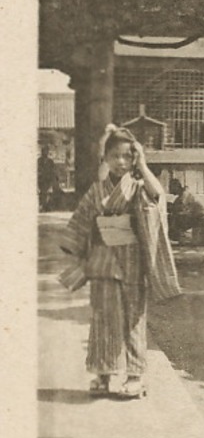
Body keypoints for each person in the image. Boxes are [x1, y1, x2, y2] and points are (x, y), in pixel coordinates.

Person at [59, 125, 180, 399]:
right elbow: (84, 216)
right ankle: (103, 375)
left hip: (131, 260)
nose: (121, 162)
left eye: (127, 157)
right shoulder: (98, 188)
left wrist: (144, 164)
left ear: (134, 158)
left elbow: (158, 195)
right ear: (106, 158)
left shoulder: (138, 186)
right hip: (103, 260)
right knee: (103, 318)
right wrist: (77, 251)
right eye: (115, 156)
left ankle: (135, 376)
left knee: (134, 319)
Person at [38, 145, 60, 211]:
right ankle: (42, 205)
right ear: (42, 152)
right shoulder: (39, 161)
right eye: (43, 151)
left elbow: (53, 170)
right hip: (41, 179)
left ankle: (46, 205)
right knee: (42, 192)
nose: (45, 153)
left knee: (47, 192)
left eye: (46, 151)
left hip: (48, 179)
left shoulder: (50, 161)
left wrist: (54, 178)